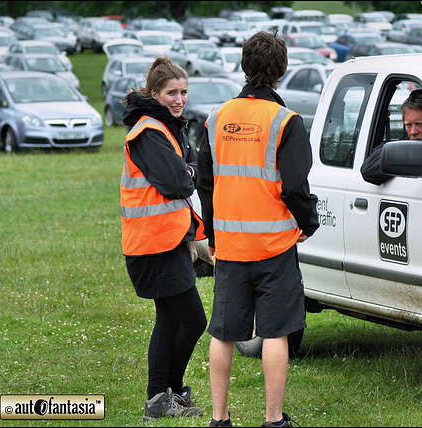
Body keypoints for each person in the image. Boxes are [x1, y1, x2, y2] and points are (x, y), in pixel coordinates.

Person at [196, 31, 319, 428]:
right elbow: (296, 186)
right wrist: (308, 224)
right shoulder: (287, 122)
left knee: (224, 333)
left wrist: (214, 235)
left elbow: (206, 183)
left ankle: (219, 419)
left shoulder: (216, 119)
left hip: (230, 245)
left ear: (244, 67)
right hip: (274, 246)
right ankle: (272, 419)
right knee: (275, 332)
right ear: (281, 70)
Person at [119, 56, 208, 422]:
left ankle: (164, 397)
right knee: (193, 320)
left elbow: (189, 169)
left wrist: (188, 169)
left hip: (163, 241)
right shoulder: (148, 131)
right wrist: (188, 170)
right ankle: (162, 394)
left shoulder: (165, 128)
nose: (180, 98)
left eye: (184, 91)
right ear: (154, 94)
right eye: (172, 92)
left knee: (170, 321)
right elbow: (179, 181)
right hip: (153, 245)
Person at [360, 89, 422, 185]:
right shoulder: (400, 146)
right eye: (408, 125)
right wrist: (409, 156)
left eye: (420, 124)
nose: (413, 132)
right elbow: (368, 170)